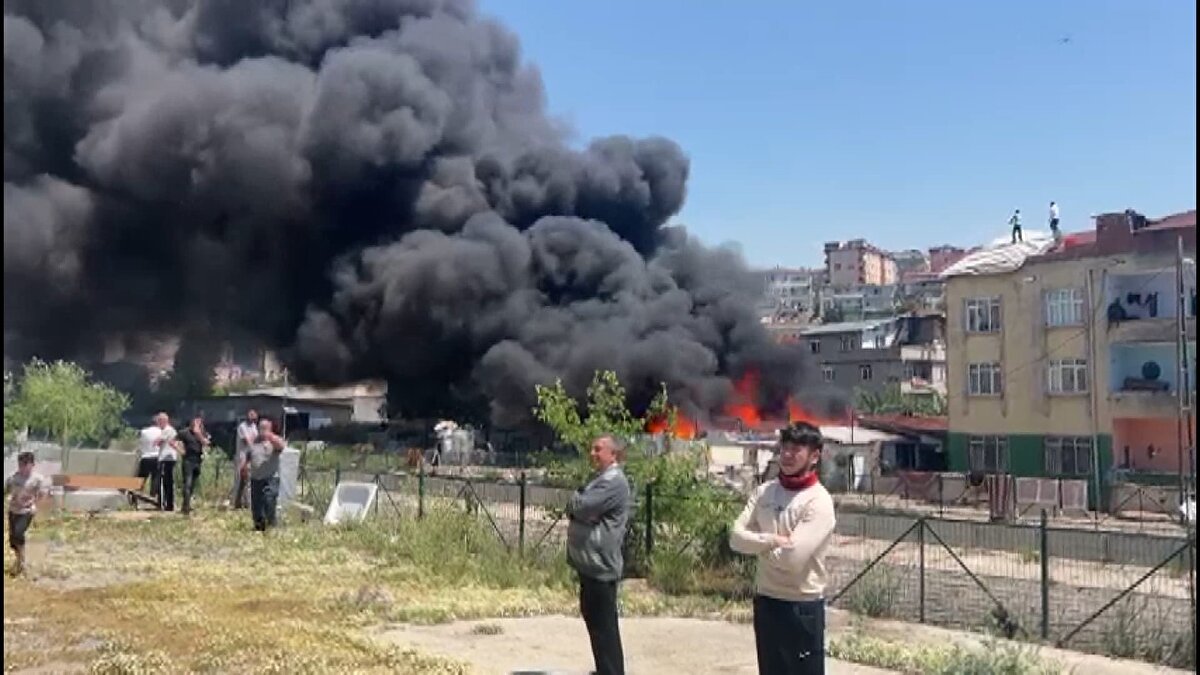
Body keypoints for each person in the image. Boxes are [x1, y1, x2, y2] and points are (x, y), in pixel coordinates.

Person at [730, 422, 836, 675]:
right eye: (784, 448)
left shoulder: (818, 501)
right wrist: (773, 541)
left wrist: (755, 543)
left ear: (814, 456)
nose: (787, 455)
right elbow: (735, 537)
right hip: (766, 601)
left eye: (796, 449)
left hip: (801, 607)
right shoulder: (765, 492)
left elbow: (792, 561)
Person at [566, 435, 631, 675]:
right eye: (591, 448)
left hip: (602, 568)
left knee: (605, 627)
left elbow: (581, 506)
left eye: (598, 449)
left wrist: (577, 501)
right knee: (594, 621)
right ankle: (604, 669)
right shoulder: (600, 479)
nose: (592, 453)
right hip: (590, 566)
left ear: (613, 454)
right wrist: (579, 503)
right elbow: (581, 506)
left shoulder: (614, 481)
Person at [5, 451, 50, 576]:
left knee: (19, 533)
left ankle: (22, 562)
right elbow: (7, 490)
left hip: (26, 511)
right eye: (20, 464)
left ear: (32, 465)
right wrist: (8, 496)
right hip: (13, 510)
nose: (22, 467)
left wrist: (35, 505)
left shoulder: (37, 479)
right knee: (13, 540)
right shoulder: (13, 478)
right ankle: (20, 559)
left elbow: (42, 495)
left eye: (25, 464)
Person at [247, 418, 287, 532]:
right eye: (260, 428)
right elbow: (248, 455)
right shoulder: (254, 442)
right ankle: (259, 527)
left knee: (269, 500)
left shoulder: (274, 441)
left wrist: (270, 436)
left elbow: (282, 446)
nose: (262, 430)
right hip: (256, 478)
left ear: (270, 429)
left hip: (271, 478)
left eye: (265, 428)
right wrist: (244, 466)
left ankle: (271, 523)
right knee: (257, 505)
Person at [178, 416, 211, 515]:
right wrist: (180, 450)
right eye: (196, 422)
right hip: (188, 460)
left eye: (199, 423)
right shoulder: (184, 432)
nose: (197, 425)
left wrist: (198, 434)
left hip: (198, 460)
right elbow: (173, 441)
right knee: (187, 483)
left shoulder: (202, 433)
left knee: (192, 484)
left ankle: (185, 505)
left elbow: (206, 443)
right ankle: (186, 507)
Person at [232, 409, 258, 509]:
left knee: (248, 481)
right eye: (251, 414)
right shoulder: (242, 427)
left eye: (254, 415)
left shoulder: (254, 427)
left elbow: (256, 439)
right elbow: (248, 441)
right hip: (241, 457)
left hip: (251, 456)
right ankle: (236, 502)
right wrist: (253, 440)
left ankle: (247, 503)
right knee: (239, 480)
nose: (252, 417)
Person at [154, 413, 181, 512]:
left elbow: (158, 442)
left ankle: (165, 504)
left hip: (166, 458)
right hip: (168, 458)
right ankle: (168, 504)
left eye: (159, 421)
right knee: (168, 482)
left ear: (164, 421)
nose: (158, 423)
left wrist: (157, 441)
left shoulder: (167, 430)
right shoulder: (168, 430)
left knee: (164, 482)